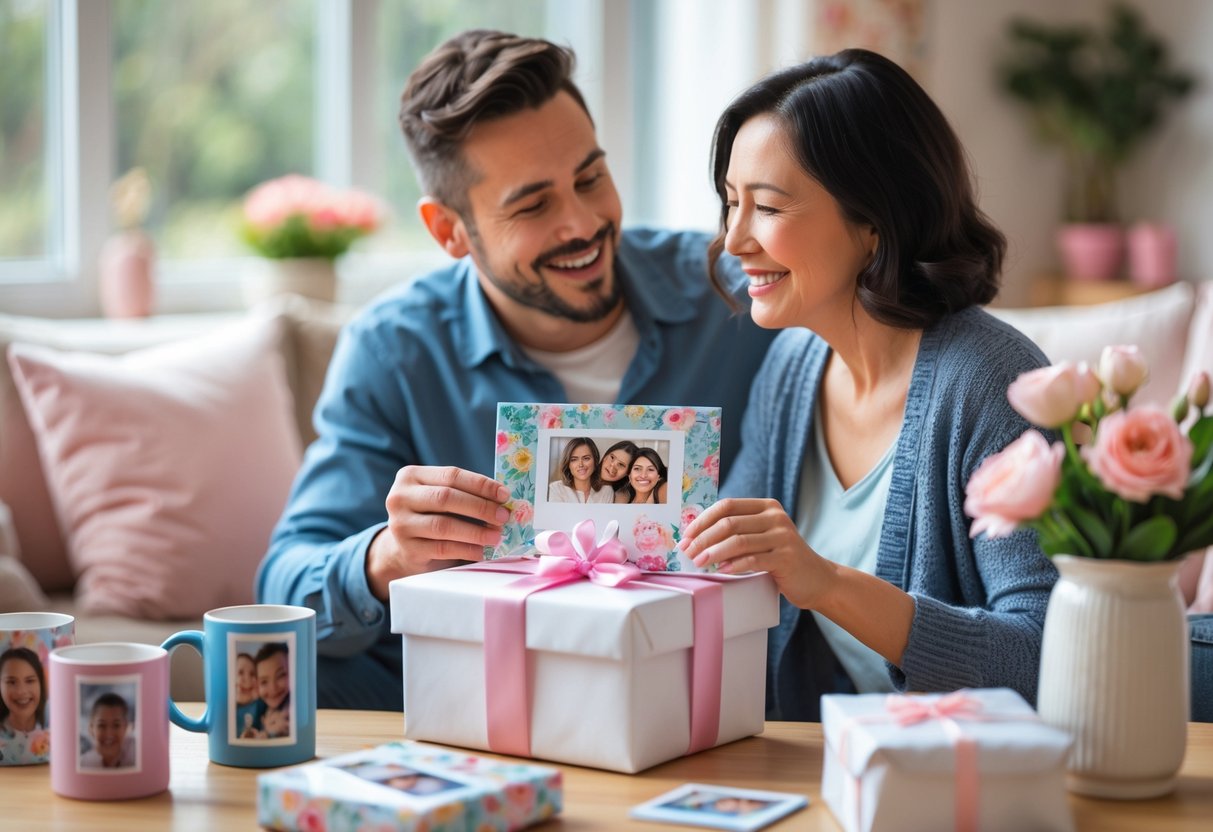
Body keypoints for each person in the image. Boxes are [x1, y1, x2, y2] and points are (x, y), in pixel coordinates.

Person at [255, 29, 776, 709]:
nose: (583, 222)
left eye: (590, 177)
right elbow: (282, 587)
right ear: (449, 231)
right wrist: (386, 556)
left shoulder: (738, 299)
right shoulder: (393, 350)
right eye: (533, 205)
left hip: (694, 700)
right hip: (481, 709)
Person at [677, 49, 1059, 721]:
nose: (733, 239)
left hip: (961, 781)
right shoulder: (792, 368)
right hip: (829, 765)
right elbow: (714, 567)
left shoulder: (991, 383)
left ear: (872, 222)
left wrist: (823, 582)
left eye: (765, 207)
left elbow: (1046, 656)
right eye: (730, 203)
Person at [547, 437, 613, 503]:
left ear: (595, 461)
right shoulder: (556, 488)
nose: (580, 464)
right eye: (574, 460)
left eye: (586, 458)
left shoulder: (606, 491)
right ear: (568, 464)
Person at [80, 692, 136, 768]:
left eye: (116, 725)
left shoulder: (136, 754)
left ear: (125, 727)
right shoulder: (84, 763)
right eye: (101, 725)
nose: (109, 733)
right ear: (91, 728)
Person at [233, 652, 260, 737]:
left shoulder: (259, 704)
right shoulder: (226, 706)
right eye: (240, 673)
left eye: (252, 674)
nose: (246, 679)